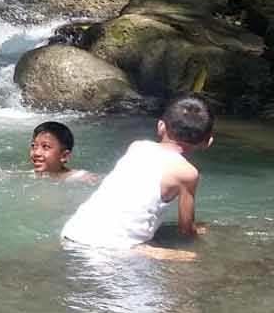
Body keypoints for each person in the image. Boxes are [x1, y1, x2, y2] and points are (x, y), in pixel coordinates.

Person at [61, 95, 214, 258]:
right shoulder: (188, 173)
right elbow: (185, 230)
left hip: (73, 232)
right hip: (114, 248)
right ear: (207, 141)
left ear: (161, 126)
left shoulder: (137, 146)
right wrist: (197, 230)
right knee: (192, 258)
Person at [29, 121, 97, 183]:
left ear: (64, 156)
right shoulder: (30, 175)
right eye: (33, 146)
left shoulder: (83, 178)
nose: (36, 153)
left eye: (45, 147)